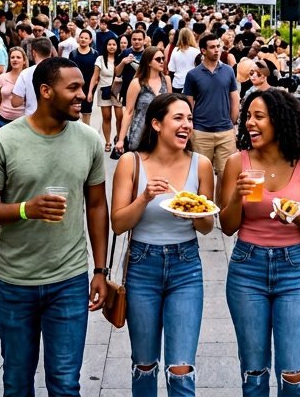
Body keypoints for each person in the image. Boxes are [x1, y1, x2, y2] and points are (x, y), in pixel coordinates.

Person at [0, 56, 109, 397]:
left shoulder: (89, 140)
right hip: (16, 281)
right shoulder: (4, 141)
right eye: (73, 88)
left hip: (69, 279)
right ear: (46, 91)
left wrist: (101, 269)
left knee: (65, 383)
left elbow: (96, 205)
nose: (82, 96)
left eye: (82, 87)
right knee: (17, 383)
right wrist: (24, 209)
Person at [219, 88, 300, 396]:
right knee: (254, 373)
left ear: (280, 121)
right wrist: (238, 198)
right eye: (247, 116)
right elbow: (227, 227)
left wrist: (299, 219)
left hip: (293, 270)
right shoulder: (237, 164)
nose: (249, 123)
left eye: (259, 117)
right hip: (246, 268)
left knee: (293, 374)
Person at [110, 94, 215, 396]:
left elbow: (207, 227)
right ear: (156, 124)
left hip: (186, 266)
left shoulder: (201, 165)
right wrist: (144, 197)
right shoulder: (131, 163)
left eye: (190, 119)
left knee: (181, 368)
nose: (187, 126)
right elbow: (118, 224)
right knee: (144, 364)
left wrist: (193, 207)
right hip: (143, 265)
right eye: (178, 118)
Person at [184, 33, 240, 179]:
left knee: (226, 175)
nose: (217, 50)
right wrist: (190, 126)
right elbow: (188, 104)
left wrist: (232, 122)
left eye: (218, 46)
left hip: (225, 132)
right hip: (201, 132)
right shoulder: (192, 75)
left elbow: (234, 97)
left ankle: (222, 203)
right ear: (203, 50)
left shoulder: (228, 70)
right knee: (201, 175)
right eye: (212, 47)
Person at [119, 46, 170, 155]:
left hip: (161, 133)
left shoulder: (166, 80)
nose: (162, 61)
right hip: (140, 132)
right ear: (148, 62)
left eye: (163, 58)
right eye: (158, 59)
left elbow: (170, 108)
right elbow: (128, 112)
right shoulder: (137, 83)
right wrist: (121, 139)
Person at [0, 47, 28, 135]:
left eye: (18, 57)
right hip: (2, 120)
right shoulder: (2, 77)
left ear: (24, 61)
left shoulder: (28, 78)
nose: (15, 60)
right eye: (12, 57)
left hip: (22, 122)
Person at [94, 37, 124, 153]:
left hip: (117, 91)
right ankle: (107, 142)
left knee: (120, 117)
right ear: (106, 46)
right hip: (104, 91)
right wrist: (90, 91)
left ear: (117, 46)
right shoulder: (100, 59)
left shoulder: (121, 58)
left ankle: (118, 139)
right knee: (107, 117)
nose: (112, 46)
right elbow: (95, 76)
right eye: (109, 44)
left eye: (114, 44)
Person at [69, 29, 100, 127]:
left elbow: (96, 74)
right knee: (75, 110)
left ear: (90, 40)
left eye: (86, 38)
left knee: (87, 111)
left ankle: (87, 131)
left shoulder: (95, 54)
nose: (83, 40)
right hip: (75, 86)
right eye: (81, 37)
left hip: (89, 86)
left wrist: (91, 90)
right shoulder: (73, 54)